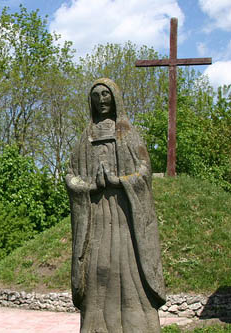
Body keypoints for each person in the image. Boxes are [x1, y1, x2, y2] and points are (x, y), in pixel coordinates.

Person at [65, 78, 166, 332]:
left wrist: (120, 181)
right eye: (96, 95)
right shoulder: (85, 138)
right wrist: (89, 186)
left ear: (115, 98)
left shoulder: (127, 134)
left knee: (128, 271)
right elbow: (70, 175)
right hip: (96, 217)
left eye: (106, 95)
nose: (101, 100)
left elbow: (144, 171)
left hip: (126, 217)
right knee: (98, 270)